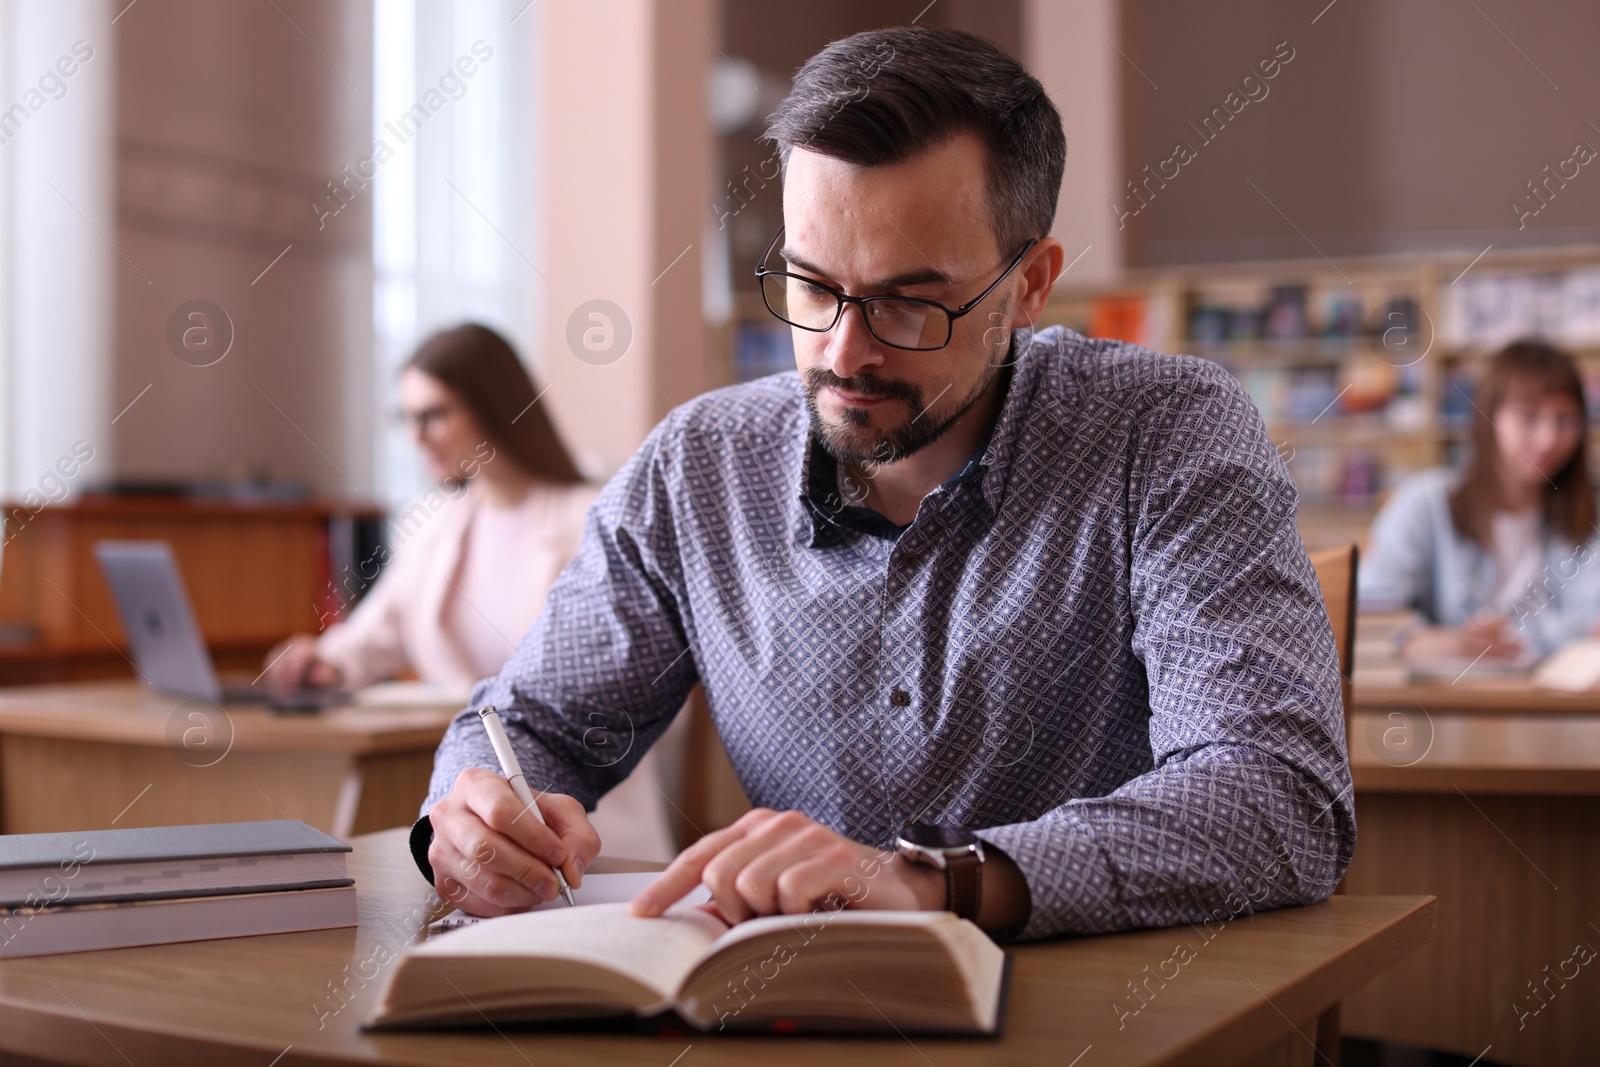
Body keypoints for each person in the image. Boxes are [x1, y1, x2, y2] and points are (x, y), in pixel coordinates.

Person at [415, 27, 1352, 940]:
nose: (843, 352)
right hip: (792, 1014)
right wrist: (470, 821)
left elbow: (1276, 795)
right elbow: (529, 721)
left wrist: (933, 881)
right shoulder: (697, 467)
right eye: (811, 285)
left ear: (1030, 285)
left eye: (909, 301)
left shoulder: (1167, 432)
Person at [265, 323, 675, 861]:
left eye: (434, 415)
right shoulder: (432, 522)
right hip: (459, 798)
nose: (417, 437)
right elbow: (372, 636)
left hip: (582, 819)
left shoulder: (589, 517)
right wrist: (323, 663)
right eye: (406, 419)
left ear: (494, 406)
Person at [1360, 339, 1600, 664]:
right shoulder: (1424, 502)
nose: (1549, 439)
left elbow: (1593, 623)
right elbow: (1369, 621)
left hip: (1554, 704)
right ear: (1489, 419)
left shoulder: (1587, 514)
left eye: (1565, 421)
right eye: (1529, 417)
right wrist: (1441, 642)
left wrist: (1486, 641)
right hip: (1445, 703)